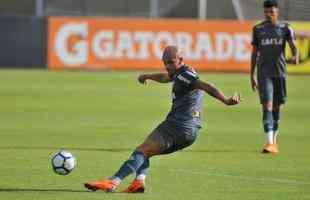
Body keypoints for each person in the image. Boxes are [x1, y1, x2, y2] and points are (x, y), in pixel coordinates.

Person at [84, 45, 241, 193]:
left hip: (178, 126)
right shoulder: (179, 73)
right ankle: (138, 182)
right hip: (189, 132)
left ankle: (113, 181)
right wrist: (147, 76)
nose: (168, 66)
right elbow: (166, 77)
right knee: (145, 150)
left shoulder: (186, 74)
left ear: (181, 60)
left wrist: (226, 101)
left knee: (142, 151)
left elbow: (208, 86)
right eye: (165, 63)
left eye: (171, 62)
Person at [250, 0, 299, 154]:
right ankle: (269, 142)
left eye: (271, 11)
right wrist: (251, 75)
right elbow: (254, 52)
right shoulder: (258, 29)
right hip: (264, 74)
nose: (268, 14)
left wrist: (296, 56)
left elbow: (293, 46)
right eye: (266, 12)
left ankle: (274, 142)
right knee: (267, 106)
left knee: (277, 107)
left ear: (277, 11)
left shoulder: (285, 28)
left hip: (280, 73)